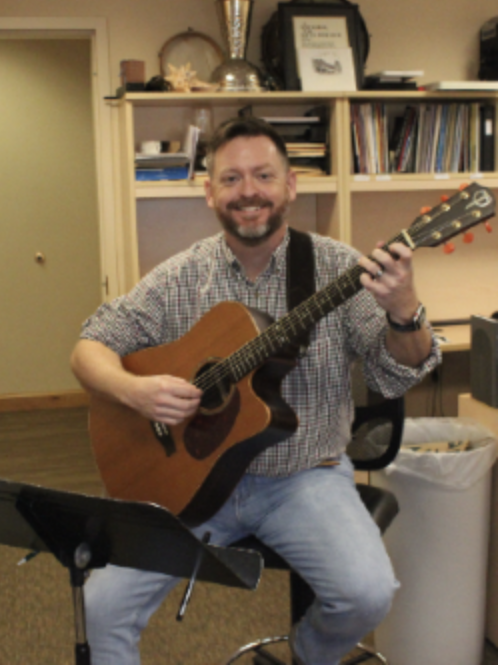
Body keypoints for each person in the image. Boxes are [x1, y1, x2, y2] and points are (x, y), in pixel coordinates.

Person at [71, 116, 441, 665]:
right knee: (100, 607)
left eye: (264, 176)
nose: (249, 191)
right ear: (209, 192)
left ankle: (305, 654)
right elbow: (89, 348)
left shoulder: (338, 267)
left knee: (367, 594)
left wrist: (404, 311)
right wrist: (134, 391)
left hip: (303, 478)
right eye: (232, 178)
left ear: (290, 186)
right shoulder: (181, 276)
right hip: (189, 484)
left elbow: (397, 372)